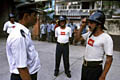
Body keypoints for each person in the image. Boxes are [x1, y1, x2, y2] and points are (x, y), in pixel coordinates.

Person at [6, 2, 41, 80]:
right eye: (34, 15)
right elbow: (22, 68)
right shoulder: (19, 37)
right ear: (26, 16)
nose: (36, 18)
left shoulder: (23, 32)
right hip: (23, 76)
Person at [75, 10, 113, 80]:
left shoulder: (106, 38)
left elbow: (109, 59)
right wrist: (82, 26)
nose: (89, 25)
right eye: (88, 22)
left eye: (91, 23)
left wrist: (103, 76)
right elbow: (77, 39)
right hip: (85, 67)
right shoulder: (89, 34)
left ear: (99, 25)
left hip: (95, 70)